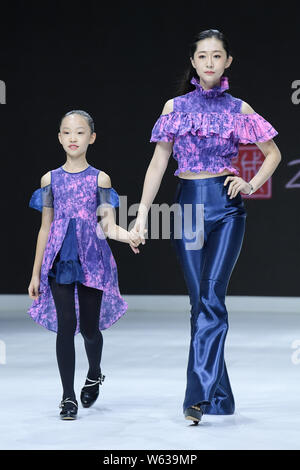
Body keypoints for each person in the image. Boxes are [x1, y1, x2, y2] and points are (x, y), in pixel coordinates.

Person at [129, 29, 281, 424]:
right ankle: (221, 396)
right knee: (201, 303)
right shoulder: (175, 107)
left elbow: (273, 153)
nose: (210, 62)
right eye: (203, 56)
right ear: (193, 62)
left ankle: (195, 396)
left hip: (227, 209)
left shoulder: (238, 108)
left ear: (228, 62)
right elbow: (159, 163)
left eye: (217, 56)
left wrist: (251, 183)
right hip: (189, 209)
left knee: (212, 297)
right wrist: (143, 214)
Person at [28, 110, 142, 420]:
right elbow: (45, 227)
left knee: (90, 328)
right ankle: (67, 397)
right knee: (66, 325)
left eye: (80, 132)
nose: (73, 138)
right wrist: (36, 272)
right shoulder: (50, 179)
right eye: (67, 132)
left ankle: (94, 373)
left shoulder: (99, 178)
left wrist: (129, 235)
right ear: (60, 137)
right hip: (59, 258)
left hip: (92, 259)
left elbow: (107, 226)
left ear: (91, 138)